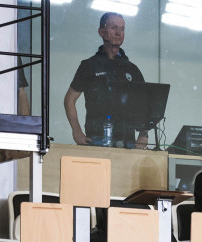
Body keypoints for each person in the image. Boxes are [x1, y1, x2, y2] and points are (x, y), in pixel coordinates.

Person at [63, 12, 149, 149]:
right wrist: (76, 131)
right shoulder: (89, 65)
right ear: (101, 32)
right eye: (114, 28)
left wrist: (143, 135)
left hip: (127, 142)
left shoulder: (132, 69)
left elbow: (145, 104)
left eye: (122, 29)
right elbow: (69, 100)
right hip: (96, 140)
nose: (119, 33)